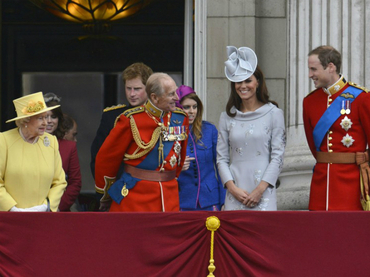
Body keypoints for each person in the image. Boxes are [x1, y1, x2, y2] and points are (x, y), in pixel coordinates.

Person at [95, 73, 189, 212]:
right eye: (171, 94)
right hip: (135, 200)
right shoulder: (131, 119)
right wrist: (105, 195)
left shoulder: (180, 118)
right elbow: (106, 159)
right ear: (154, 97)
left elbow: (179, 159)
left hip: (169, 198)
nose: (177, 98)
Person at [217, 46, 286, 211]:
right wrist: (232, 188)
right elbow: (221, 159)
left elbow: (278, 156)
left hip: (264, 193)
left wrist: (260, 190)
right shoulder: (226, 117)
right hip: (235, 193)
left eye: (247, 80)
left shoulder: (274, 113)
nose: (243, 86)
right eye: (238, 81)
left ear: (257, 82)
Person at [303, 45, 370, 210]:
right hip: (320, 183)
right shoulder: (309, 102)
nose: (310, 75)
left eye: (314, 69)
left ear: (330, 67)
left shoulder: (361, 98)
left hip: (351, 184)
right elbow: (313, 147)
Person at [0, 92, 67, 212]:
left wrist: (46, 206)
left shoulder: (51, 141)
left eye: (46, 117)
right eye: (40, 118)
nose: (46, 123)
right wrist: (12, 209)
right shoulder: (4, 140)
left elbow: (59, 181)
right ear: (25, 120)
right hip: (9, 218)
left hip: (43, 218)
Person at [90, 62, 153, 177]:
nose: (132, 94)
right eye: (128, 88)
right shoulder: (112, 117)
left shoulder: (161, 117)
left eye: (137, 89)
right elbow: (98, 157)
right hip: (121, 188)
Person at [175, 85, 226, 211]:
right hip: (182, 201)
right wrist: (177, 167)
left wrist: (224, 200)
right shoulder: (170, 133)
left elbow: (221, 166)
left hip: (210, 200)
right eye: (186, 107)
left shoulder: (209, 130)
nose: (192, 111)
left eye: (195, 106)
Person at [44, 92, 82, 212]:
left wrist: (58, 207)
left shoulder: (69, 146)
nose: (49, 121)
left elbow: (75, 182)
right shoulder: (28, 143)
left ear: (59, 119)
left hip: (59, 209)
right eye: (45, 116)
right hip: (30, 209)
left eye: (53, 117)